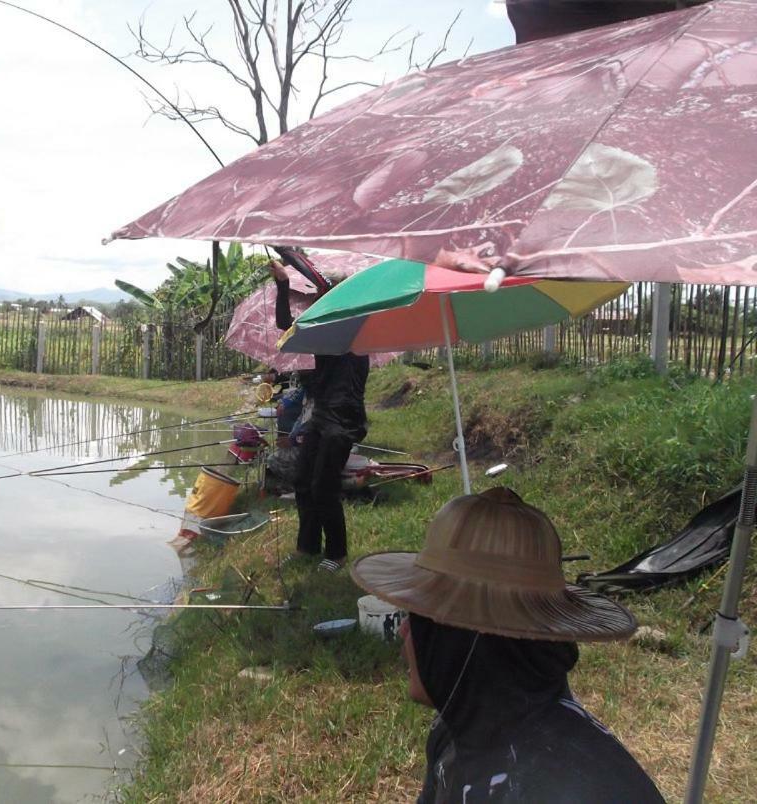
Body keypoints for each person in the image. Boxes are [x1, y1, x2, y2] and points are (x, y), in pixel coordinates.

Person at [351, 487, 665, 803]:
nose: (405, 629)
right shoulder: (458, 728)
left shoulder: (561, 789)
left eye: (418, 618)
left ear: (458, 639)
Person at [270, 258, 369, 573]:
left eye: (321, 296)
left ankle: (337, 553)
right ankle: (307, 547)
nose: (315, 302)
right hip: (323, 414)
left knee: (324, 487)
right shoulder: (326, 328)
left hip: (344, 419)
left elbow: (342, 380)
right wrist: (283, 283)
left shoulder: (353, 328)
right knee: (302, 481)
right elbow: (286, 323)